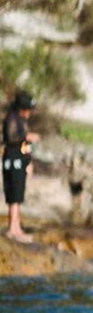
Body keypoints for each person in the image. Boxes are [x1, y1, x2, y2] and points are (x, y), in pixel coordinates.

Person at [3, 92, 38, 243]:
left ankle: (16, 227)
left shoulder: (20, 120)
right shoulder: (12, 119)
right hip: (12, 161)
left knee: (18, 196)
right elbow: (11, 138)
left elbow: (25, 147)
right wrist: (27, 136)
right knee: (14, 196)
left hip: (20, 161)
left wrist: (28, 161)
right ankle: (12, 229)